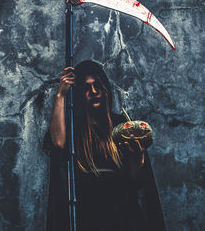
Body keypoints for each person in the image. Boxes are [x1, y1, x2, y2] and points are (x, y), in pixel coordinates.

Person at [44, 60, 166, 231]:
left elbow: (133, 180)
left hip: (122, 216)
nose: (93, 92)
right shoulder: (73, 129)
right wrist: (61, 94)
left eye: (97, 86)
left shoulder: (121, 126)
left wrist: (138, 155)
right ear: (78, 93)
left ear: (105, 90)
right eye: (87, 88)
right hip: (85, 216)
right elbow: (58, 143)